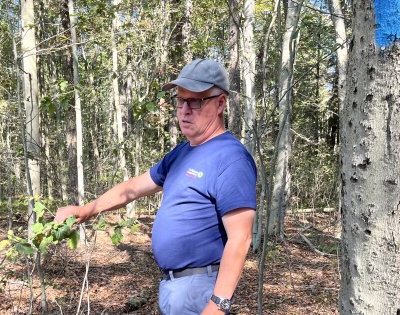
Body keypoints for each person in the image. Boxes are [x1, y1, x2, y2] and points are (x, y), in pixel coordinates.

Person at [55, 58, 257, 315]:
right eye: (180, 100)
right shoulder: (183, 153)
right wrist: (88, 209)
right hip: (174, 287)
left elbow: (241, 237)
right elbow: (134, 188)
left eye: (195, 101)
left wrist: (218, 304)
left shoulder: (230, 158)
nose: (184, 110)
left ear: (220, 103)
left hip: (200, 290)